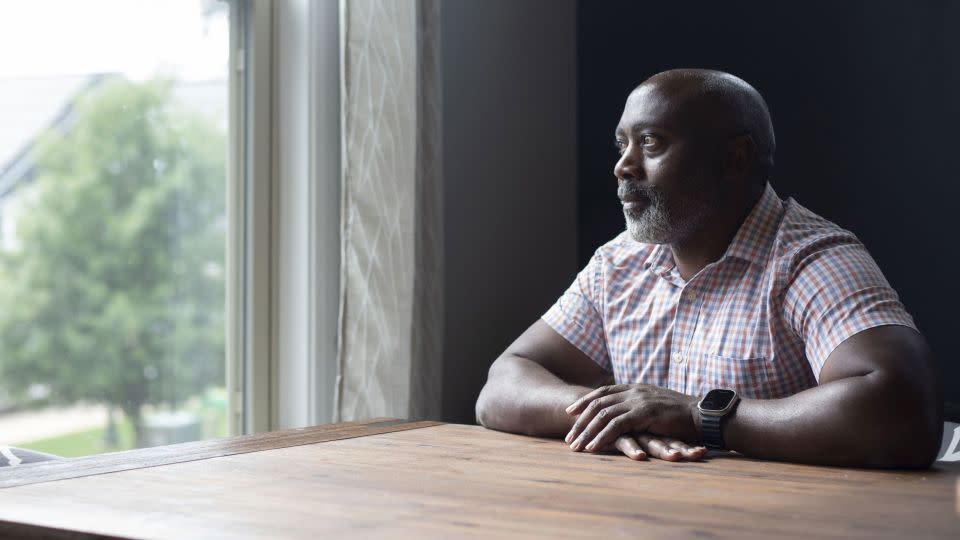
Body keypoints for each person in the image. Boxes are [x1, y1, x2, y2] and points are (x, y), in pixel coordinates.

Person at [475, 69, 941, 468]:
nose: (623, 166)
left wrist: (702, 416)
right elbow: (502, 384)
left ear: (733, 158)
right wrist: (613, 415)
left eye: (651, 143)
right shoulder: (618, 263)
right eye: (623, 145)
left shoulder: (811, 259)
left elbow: (905, 409)